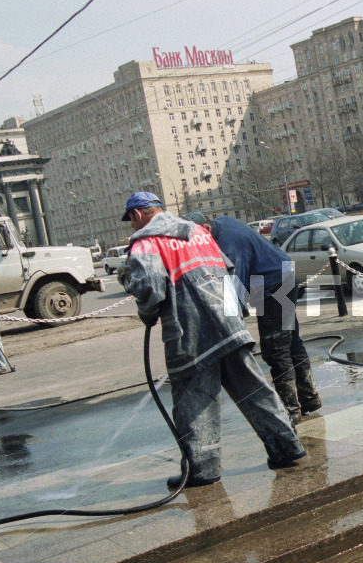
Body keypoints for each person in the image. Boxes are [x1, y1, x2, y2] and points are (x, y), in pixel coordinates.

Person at [118, 192, 305, 488]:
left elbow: (150, 290)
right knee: (255, 390)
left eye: (131, 220)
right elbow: (229, 269)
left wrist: (146, 311)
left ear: (138, 215)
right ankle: (287, 448)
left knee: (193, 401)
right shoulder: (197, 233)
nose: (131, 225)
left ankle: (203, 469)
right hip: (228, 324)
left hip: (190, 333)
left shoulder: (146, 243)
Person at [183, 211, 321, 426]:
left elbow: (235, 284)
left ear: (205, 229)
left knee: (276, 349)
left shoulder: (228, 245)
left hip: (274, 287)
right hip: (281, 277)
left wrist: (230, 323)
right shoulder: (223, 222)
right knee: (291, 342)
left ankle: (290, 409)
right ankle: (309, 398)